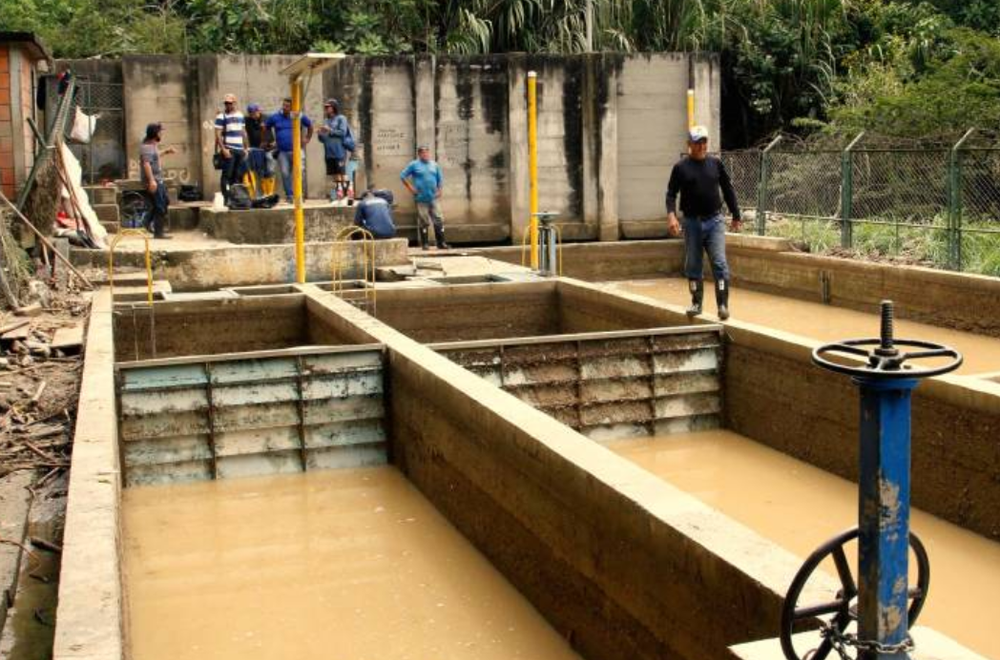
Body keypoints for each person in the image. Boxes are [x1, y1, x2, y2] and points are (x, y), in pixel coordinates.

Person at [666, 125, 741, 320]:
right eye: (698, 142)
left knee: (719, 263)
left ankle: (723, 305)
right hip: (692, 223)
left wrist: (736, 214)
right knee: (693, 264)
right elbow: (671, 194)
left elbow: (728, 189)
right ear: (689, 144)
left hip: (714, 221)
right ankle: (696, 302)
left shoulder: (715, 164)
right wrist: (672, 215)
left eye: (704, 142)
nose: (702, 146)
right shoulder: (680, 168)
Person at [265, 97, 313, 203]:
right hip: (282, 152)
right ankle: (290, 196)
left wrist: (307, 138)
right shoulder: (276, 117)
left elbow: (310, 125)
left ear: (292, 107)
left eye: (287, 106)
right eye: (284, 105)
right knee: (285, 173)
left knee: (300, 172)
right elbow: (266, 126)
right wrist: (271, 140)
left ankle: (300, 195)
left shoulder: (297, 115)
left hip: (297, 151)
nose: (284, 107)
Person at [400, 145, 449, 250]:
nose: (425, 154)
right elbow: (402, 176)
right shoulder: (414, 165)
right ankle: (425, 244)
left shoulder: (434, 165)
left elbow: (440, 179)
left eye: (427, 152)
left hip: (433, 198)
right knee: (424, 220)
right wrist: (411, 188)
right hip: (421, 198)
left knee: (438, 219)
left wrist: (440, 190)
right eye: (422, 153)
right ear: (419, 154)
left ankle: (441, 243)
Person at [139, 122, 175, 239]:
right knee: (160, 205)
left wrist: (165, 152)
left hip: (158, 179)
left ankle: (146, 222)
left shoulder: (152, 146)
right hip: (154, 180)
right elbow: (146, 164)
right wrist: (152, 181)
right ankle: (158, 233)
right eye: (160, 132)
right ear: (155, 133)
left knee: (163, 202)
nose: (161, 134)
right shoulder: (147, 147)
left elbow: (154, 157)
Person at [214, 93, 248, 205]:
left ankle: (235, 198)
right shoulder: (221, 116)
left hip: (239, 150)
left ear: (234, 103)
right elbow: (218, 135)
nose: (228, 105)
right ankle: (226, 198)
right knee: (227, 175)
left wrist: (246, 148)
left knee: (237, 176)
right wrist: (223, 149)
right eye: (226, 103)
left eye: (230, 103)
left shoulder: (240, 115)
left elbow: (243, 132)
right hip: (229, 149)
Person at [317, 99, 352, 203]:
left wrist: (329, 130)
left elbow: (342, 132)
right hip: (329, 152)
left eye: (328, 107)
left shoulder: (341, 118)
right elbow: (322, 139)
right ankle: (339, 195)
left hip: (339, 151)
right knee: (335, 174)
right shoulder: (326, 121)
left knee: (342, 173)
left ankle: (347, 196)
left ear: (334, 108)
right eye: (325, 107)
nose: (326, 109)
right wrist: (320, 133)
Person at [244, 102, 272, 197]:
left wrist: (266, 142)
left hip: (267, 148)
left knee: (268, 170)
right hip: (254, 149)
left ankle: (268, 193)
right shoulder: (247, 120)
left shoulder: (266, 118)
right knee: (255, 170)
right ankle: (256, 194)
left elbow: (269, 132)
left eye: (254, 113)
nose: (253, 115)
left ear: (258, 111)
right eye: (251, 113)